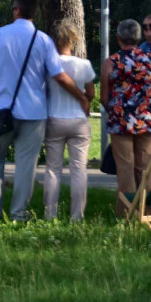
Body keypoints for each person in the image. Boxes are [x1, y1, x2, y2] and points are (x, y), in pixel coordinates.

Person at [0, 0, 89, 221]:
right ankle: (18, 213)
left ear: (16, 10)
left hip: (1, 111)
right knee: (26, 165)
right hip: (33, 113)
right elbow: (59, 76)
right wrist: (80, 96)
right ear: (35, 13)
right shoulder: (43, 40)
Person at [101, 19, 151, 215]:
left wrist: (117, 112)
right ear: (139, 37)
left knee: (125, 168)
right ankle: (149, 212)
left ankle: (126, 214)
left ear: (118, 38)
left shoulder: (111, 62)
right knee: (145, 168)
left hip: (120, 121)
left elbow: (104, 96)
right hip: (148, 120)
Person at [43, 23, 95, 221]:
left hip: (54, 118)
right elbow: (90, 93)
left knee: (53, 169)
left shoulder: (49, 64)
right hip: (79, 120)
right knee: (78, 170)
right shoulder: (84, 64)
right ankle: (77, 215)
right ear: (73, 39)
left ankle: (50, 214)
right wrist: (82, 98)